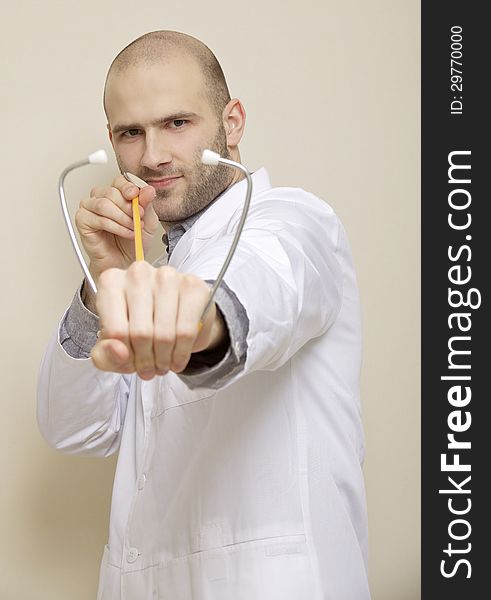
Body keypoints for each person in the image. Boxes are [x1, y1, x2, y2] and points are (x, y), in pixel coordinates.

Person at [37, 30, 371, 599]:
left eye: (177, 123)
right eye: (131, 133)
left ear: (232, 122)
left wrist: (199, 325)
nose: (153, 156)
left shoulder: (293, 221)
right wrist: (105, 283)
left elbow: (265, 290)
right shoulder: (151, 267)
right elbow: (75, 431)